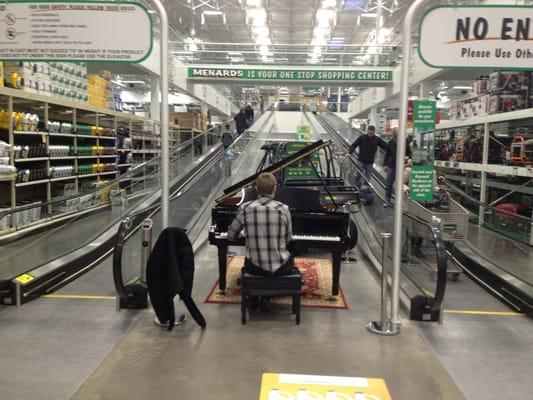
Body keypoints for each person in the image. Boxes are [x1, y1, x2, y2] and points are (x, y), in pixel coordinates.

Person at [227, 172, 295, 278]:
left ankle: (255, 289)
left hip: (255, 268)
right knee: (290, 257)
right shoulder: (284, 209)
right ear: (274, 189)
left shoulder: (245, 208)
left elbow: (230, 236)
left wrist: (243, 233)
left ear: (257, 189)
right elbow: (288, 239)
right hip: (281, 268)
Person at [383, 127, 412, 206]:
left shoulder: (406, 141)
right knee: (389, 184)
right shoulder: (391, 142)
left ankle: (401, 203)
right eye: (394, 135)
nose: (394, 136)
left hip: (403, 166)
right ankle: (387, 200)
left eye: (396, 135)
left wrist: (407, 157)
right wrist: (385, 164)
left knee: (402, 185)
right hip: (392, 166)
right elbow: (387, 154)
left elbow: (410, 153)